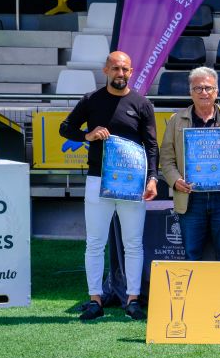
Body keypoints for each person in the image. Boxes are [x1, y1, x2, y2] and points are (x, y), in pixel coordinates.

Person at [59, 51, 158, 321]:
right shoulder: (91, 100)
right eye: (115, 68)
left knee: (133, 244)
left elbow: (151, 145)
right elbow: (65, 128)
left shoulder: (141, 104)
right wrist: (87, 135)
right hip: (97, 180)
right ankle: (95, 300)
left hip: (133, 184)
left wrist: (152, 178)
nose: (120, 73)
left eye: (125, 69)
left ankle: (133, 299)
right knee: (94, 243)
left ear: (132, 71)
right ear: (105, 70)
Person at [160, 67, 220, 261]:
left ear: (216, 91)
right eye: (198, 88)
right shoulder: (176, 121)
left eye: (208, 88)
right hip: (191, 198)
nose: (204, 93)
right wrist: (175, 181)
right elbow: (166, 159)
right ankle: (195, 292)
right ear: (190, 92)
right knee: (192, 254)